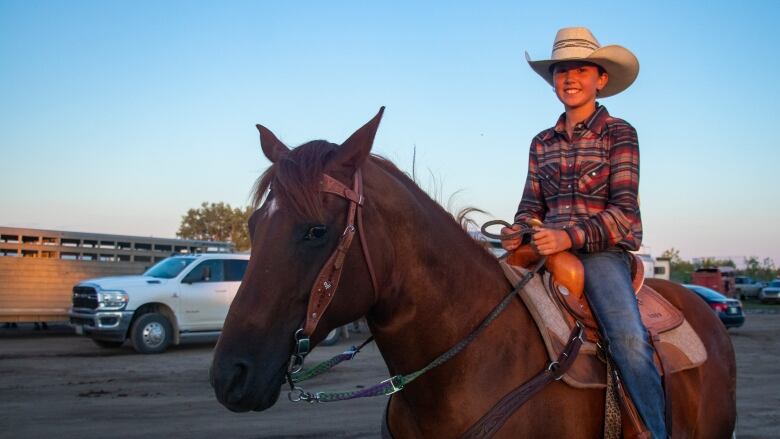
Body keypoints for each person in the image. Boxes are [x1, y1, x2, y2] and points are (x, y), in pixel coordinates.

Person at [501, 27, 667, 437]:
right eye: (561, 70)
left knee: (628, 340)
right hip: (543, 251)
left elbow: (625, 216)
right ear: (553, 79)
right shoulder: (541, 142)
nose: (570, 78)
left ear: (601, 79)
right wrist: (517, 230)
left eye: (581, 69)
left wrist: (567, 237)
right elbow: (530, 206)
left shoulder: (620, 134)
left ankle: (655, 431)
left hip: (601, 255)